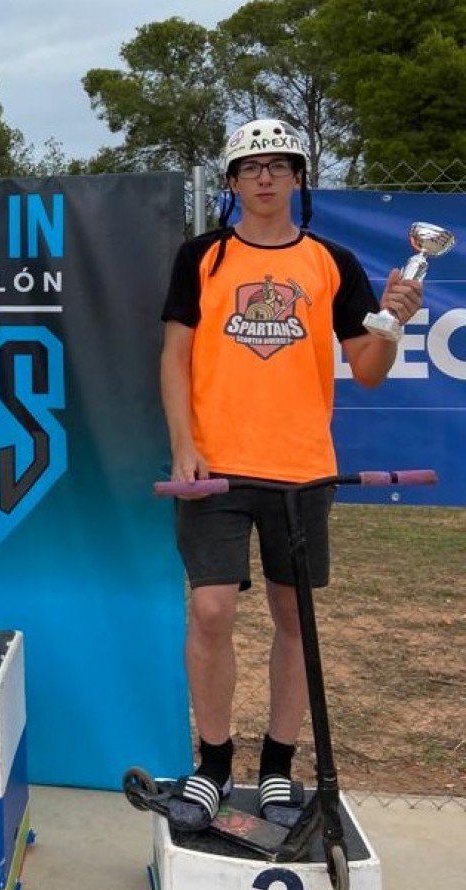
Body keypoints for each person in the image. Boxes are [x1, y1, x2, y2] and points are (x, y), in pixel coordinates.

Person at [159, 119, 423, 830]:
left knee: (292, 619)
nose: (266, 178)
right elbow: (174, 358)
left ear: (299, 178)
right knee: (211, 610)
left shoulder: (332, 261)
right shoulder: (203, 257)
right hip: (216, 467)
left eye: (279, 165)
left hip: (302, 469)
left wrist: (393, 324)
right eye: (251, 167)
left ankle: (277, 766)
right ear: (234, 182)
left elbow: (367, 371)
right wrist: (184, 444)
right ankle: (213, 764)